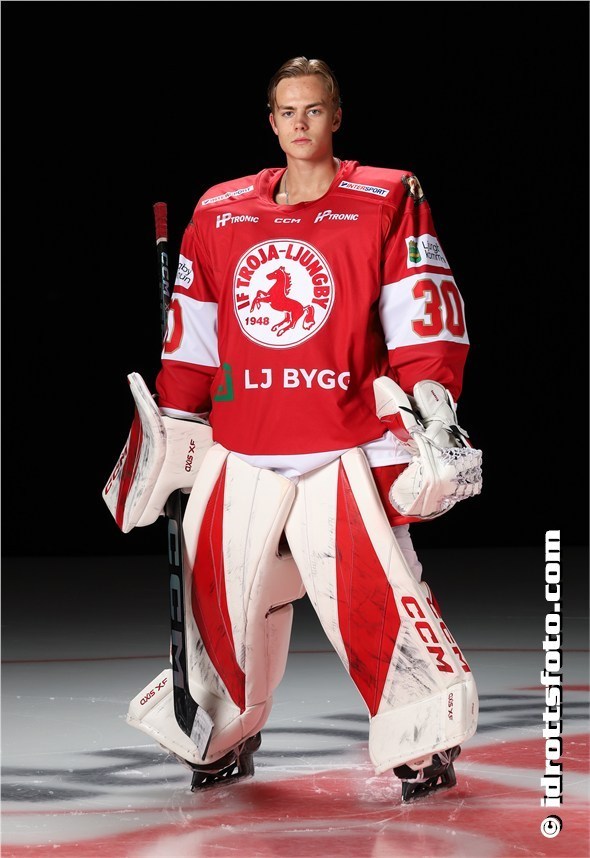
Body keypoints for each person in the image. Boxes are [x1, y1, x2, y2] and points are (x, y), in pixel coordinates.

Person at [109, 56, 482, 802]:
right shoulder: (219, 210)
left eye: (314, 110)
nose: (301, 124)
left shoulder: (386, 196)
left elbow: (421, 310)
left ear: (336, 116)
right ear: (272, 121)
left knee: (379, 594)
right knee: (219, 598)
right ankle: (220, 731)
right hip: (243, 442)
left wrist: (435, 411)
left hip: (347, 442)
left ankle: (423, 739)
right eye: (288, 111)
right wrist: (173, 426)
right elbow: (193, 337)